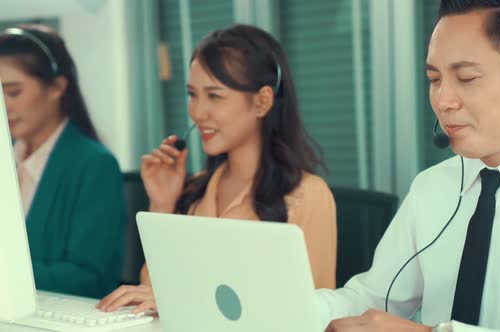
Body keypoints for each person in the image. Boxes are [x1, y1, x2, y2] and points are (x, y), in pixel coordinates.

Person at [317, 0, 500, 331]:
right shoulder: (432, 187)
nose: (443, 101)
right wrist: (283, 305)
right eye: (434, 79)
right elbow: (372, 299)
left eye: (466, 77)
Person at [97, 24, 337, 313]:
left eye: (214, 96)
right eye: (192, 94)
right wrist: (163, 203)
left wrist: (182, 303)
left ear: (262, 102)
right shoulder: (195, 190)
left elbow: (311, 315)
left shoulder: (306, 195)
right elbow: (152, 291)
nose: (197, 112)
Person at [0, 25, 127, 298]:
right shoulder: (6, 157)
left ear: (57, 87)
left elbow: (87, 276)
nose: (3, 105)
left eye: (13, 92)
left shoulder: (94, 164)